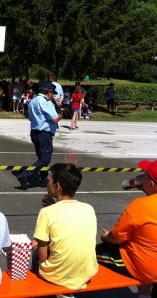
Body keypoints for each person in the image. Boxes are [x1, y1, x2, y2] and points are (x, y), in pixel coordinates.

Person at [32, 163, 98, 296]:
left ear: (57, 186)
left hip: (57, 277)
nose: (47, 182)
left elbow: (42, 256)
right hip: (86, 272)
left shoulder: (46, 213)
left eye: (49, 180)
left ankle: (48, 292)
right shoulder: (89, 208)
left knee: (35, 254)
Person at [96, 159, 157, 298]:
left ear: (151, 183)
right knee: (143, 243)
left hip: (146, 267)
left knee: (91, 253)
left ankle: (67, 291)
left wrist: (106, 237)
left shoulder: (140, 206)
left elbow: (116, 238)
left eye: (145, 175)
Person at [15, 81, 62, 190]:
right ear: (48, 92)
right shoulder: (45, 101)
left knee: (41, 157)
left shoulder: (33, 100)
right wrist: (60, 115)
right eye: (52, 93)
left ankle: (44, 179)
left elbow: (29, 117)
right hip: (44, 133)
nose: (53, 96)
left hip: (34, 132)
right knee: (45, 159)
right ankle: (25, 175)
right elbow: (54, 119)